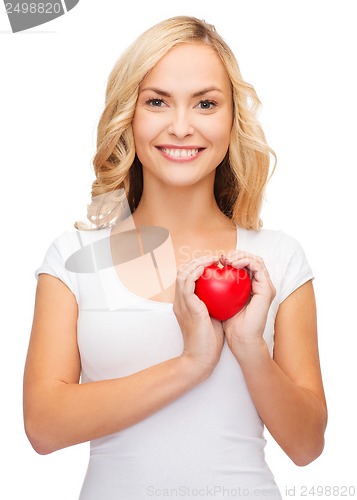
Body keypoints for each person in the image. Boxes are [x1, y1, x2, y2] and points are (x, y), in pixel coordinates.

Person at [23, 16, 327, 500]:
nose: (181, 127)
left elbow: (307, 445)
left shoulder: (278, 259)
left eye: (206, 103)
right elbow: (43, 426)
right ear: (130, 115)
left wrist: (249, 348)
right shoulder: (74, 257)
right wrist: (190, 363)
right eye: (157, 102)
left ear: (232, 120)